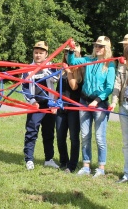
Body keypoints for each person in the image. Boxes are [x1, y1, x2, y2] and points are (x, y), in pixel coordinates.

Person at [67, 36, 116, 177]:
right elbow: (72, 62)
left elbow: (109, 87)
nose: (97, 48)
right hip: (84, 101)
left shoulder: (110, 64)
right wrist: (71, 50)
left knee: (100, 137)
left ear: (107, 48)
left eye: (101, 46)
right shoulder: (88, 60)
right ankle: (86, 166)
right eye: (96, 45)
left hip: (99, 104)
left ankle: (101, 168)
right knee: (85, 135)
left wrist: (97, 100)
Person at [22, 41, 59, 170]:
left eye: (41, 53)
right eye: (36, 52)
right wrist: (32, 101)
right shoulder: (27, 69)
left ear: (46, 54)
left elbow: (56, 79)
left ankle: (49, 159)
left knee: (49, 133)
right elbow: (25, 88)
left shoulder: (52, 66)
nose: (38, 55)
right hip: (35, 105)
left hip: (49, 104)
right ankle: (29, 159)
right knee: (31, 132)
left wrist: (45, 69)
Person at [56, 44, 83, 173]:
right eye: (66, 53)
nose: (67, 55)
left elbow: (74, 87)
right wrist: (55, 103)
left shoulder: (80, 70)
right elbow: (58, 89)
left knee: (73, 137)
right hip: (61, 108)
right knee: (60, 136)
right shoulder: (62, 70)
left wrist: (68, 71)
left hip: (73, 108)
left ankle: (72, 165)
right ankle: (63, 161)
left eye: (70, 53)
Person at [110, 35, 128, 183]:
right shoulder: (122, 64)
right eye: (124, 45)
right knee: (126, 142)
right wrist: (114, 101)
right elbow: (117, 84)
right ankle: (127, 173)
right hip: (124, 105)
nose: (125, 47)